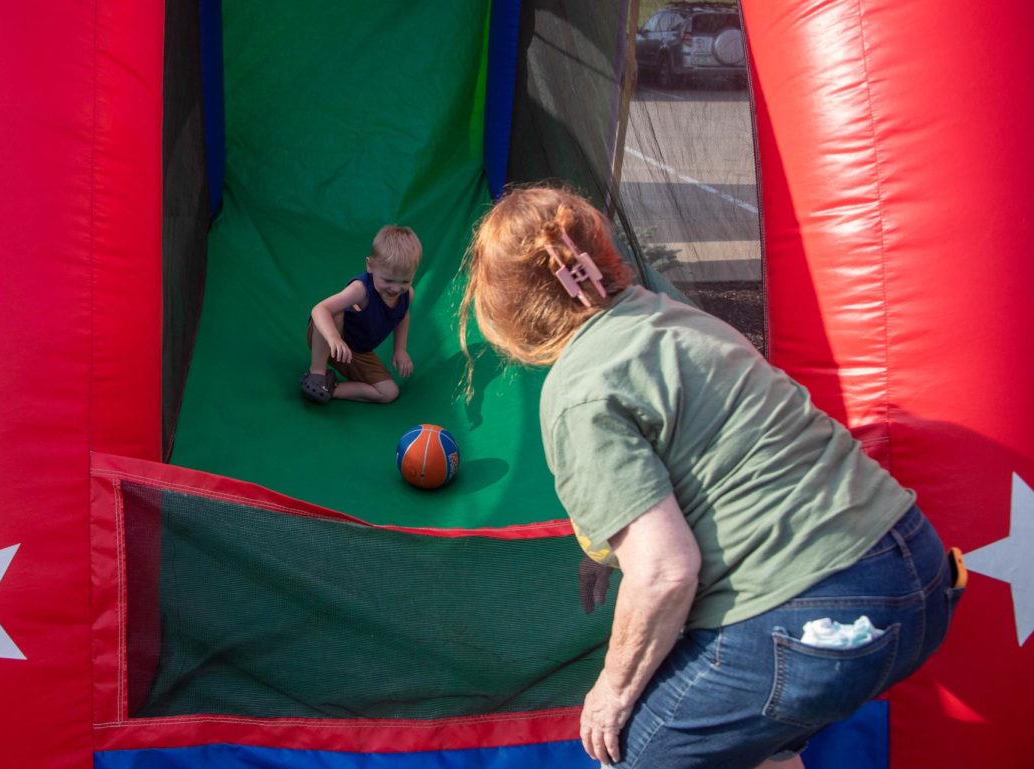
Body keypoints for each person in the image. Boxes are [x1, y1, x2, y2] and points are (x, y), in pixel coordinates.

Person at [458, 186, 963, 768]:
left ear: (509, 307)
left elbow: (666, 573)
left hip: (811, 620)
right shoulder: (674, 317)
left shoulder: (577, 392)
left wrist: (612, 693)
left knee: (627, 754)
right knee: (764, 741)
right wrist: (609, 547)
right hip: (916, 573)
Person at [301, 225, 422, 404]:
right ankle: (317, 374)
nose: (396, 289)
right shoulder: (361, 290)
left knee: (389, 392)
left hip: (355, 352)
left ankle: (328, 389)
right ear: (370, 265)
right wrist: (334, 338)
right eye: (387, 280)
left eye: (405, 281)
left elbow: (403, 316)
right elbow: (319, 309)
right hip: (327, 339)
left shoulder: (407, 294)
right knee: (335, 312)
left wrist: (400, 349)